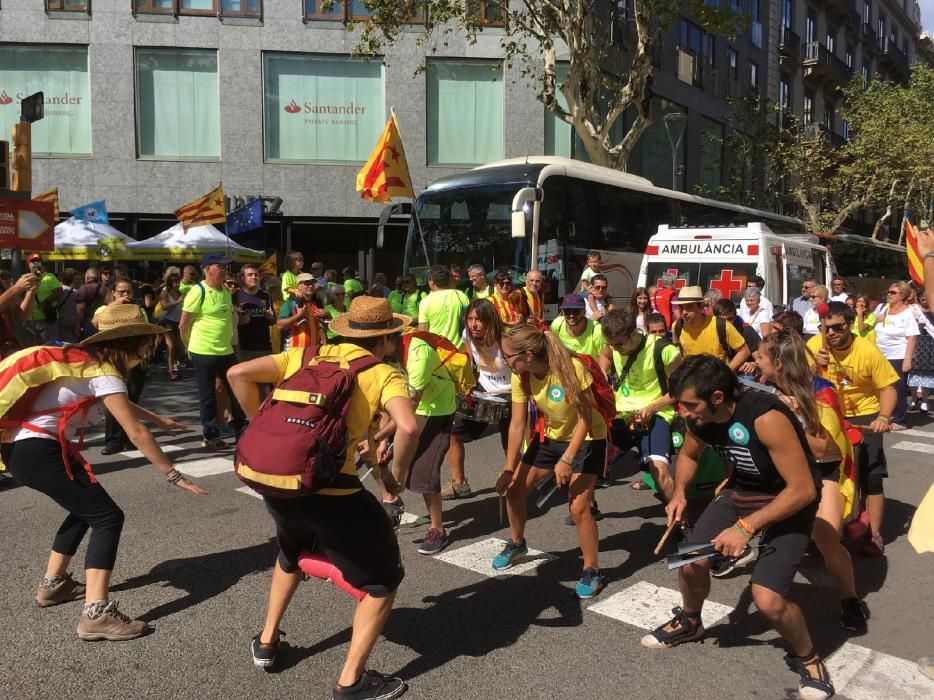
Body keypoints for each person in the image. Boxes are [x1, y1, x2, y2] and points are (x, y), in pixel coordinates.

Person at [227, 296, 419, 700]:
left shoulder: (308, 355)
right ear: (386, 338)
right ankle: (351, 682)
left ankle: (266, 642)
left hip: (282, 484)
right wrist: (397, 476)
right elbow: (407, 425)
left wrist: (261, 424)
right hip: (336, 493)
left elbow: (238, 372)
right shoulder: (384, 372)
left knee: (291, 551)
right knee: (382, 583)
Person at [0, 304, 204, 641]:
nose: (148, 349)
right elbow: (134, 432)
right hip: (39, 450)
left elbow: (114, 398)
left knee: (85, 510)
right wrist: (173, 474)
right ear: (134, 341)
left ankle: (54, 585)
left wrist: (158, 418)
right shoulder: (105, 372)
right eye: (146, 342)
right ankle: (96, 614)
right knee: (107, 517)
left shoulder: (85, 363)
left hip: (22, 450)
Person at [643, 355, 832, 700]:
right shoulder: (699, 418)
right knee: (688, 561)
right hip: (741, 491)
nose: (682, 412)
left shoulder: (765, 417)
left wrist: (745, 528)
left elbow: (803, 489)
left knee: (768, 600)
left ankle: (809, 657)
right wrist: (680, 493)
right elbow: (687, 456)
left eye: (688, 405)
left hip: (790, 499)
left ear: (717, 398)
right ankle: (690, 621)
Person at [757, 330, 869, 632]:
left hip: (824, 468)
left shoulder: (821, 392)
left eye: (761, 355)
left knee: (827, 537)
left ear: (778, 363)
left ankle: (850, 598)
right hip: (788, 467)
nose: (755, 357)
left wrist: (793, 415)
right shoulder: (767, 385)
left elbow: (824, 448)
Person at [493, 324, 609, 599]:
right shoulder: (521, 376)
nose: (504, 361)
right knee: (514, 491)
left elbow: (585, 419)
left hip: (588, 438)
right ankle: (517, 544)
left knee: (579, 507)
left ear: (528, 354)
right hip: (551, 438)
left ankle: (592, 570)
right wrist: (509, 467)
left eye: (508, 356)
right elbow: (517, 424)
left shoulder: (570, 369)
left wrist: (568, 459)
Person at [807, 301, 899, 557]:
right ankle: (826, 528)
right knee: (827, 474)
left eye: (838, 327)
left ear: (850, 325)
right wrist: (814, 366)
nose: (832, 333)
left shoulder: (867, 351)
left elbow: (888, 387)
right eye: (827, 328)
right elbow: (797, 380)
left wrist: (883, 416)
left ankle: (875, 535)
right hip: (827, 412)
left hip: (864, 414)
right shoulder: (815, 345)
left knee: (871, 476)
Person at [384, 322, 459, 556]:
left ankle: (438, 529)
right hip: (414, 408)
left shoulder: (417, 352)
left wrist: (383, 434)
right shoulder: (385, 354)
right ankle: (392, 501)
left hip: (437, 409)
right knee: (380, 455)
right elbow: (388, 396)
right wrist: (381, 440)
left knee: (424, 469)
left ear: (388, 338)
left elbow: (410, 403)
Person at [598, 309, 681, 501]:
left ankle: (680, 520)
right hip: (620, 414)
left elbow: (683, 389)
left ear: (634, 333)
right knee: (589, 464)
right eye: (611, 345)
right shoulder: (613, 344)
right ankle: (587, 510)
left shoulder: (663, 349)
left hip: (655, 413)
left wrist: (652, 407)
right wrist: (602, 370)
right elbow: (606, 355)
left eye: (619, 344)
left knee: (658, 470)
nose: (615, 349)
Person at [441, 299, 511, 500]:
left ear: (490, 320)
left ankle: (514, 480)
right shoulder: (468, 335)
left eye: (479, 320)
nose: (473, 324)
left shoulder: (506, 339)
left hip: (511, 394)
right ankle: (459, 483)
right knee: (454, 434)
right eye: (470, 319)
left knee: (510, 443)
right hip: (484, 392)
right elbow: (468, 358)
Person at [180, 253, 247, 450]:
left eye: (225, 267)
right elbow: (183, 325)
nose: (225, 270)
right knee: (207, 395)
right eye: (220, 266)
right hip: (203, 351)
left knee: (236, 390)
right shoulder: (197, 291)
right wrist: (188, 347)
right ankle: (210, 436)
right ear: (207, 268)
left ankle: (241, 430)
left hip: (225, 350)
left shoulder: (225, 290)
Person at [93, 279, 149, 455]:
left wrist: (145, 356)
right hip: (113, 363)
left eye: (128, 292)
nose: (125, 295)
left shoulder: (137, 310)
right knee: (115, 402)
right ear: (114, 292)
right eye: (121, 291)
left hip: (135, 361)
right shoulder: (104, 309)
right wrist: (115, 304)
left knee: (132, 400)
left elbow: (145, 332)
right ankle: (113, 441)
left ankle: (129, 438)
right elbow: (95, 322)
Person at [872, 281, 919, 427]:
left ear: (903, 295)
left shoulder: (907, 313)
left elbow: (912, 337)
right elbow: (874, 328)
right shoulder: (885, 309)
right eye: (888, 292)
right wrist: (876, 321)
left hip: (897, 355)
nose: (889, 294)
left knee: (897, 387)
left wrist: (907, 359)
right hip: (881, 354)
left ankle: (899, 420)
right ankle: (887, 414)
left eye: (893, 293)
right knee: (881, 386)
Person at [671, 287, 750, 372]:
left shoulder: (721, 325)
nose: (684, 312)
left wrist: (727, 373)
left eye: (689, 306)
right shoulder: (677, 326)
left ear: (701, 306)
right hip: (692, 382)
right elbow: (678, 352)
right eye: (681, 307)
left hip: (717, 382)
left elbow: (744, 351)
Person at [417, 264, 469, 346]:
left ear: (432, 281)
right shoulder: (462, 296)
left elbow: (423, 333)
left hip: (437, 354)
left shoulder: (426, 301)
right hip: (460, 354)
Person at [235, 263, 275, 363]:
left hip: (264, 347)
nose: (254, 277)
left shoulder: (265, 296)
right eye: (250, 275)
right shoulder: (236, 295)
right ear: (242, 278)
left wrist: (271, 317)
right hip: (244, 348)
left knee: (265, 378)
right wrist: (240, 320)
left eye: (256, 275)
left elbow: (273, 321)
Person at [277, 273, 327, 351]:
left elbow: (322, 326)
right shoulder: (290, 303)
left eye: (312, 283)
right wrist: (298, 315)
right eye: (307, 283)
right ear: (299, 286)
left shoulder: (316, 303)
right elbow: (280, 325)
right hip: (294, 354)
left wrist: (327, 314)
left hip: (313, 353)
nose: (310, 286)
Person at [22, 253, 62, 347]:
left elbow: (59, 292)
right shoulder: (24, 278)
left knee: (48, 347)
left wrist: (46, 301)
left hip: (46, 319)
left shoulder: (50, 276)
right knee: (31, 349)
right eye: (33, 262)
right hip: (28, 320)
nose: (35, 264)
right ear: (28, 264)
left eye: (38, 262)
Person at [549, 294, 606, 361]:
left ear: (584, 312)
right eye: (567, 311)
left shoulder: (596, 331)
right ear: (562, 312)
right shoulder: (557, 324)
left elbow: (605, 358)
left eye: (576, 311)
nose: (571, 315)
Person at [0, 271, 38, 359]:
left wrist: (31, 291)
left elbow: (19, 316)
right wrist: (16, 288)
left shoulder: (2, 284)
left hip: (8, 348)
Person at [158, 269, 185, 380]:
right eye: (174, 281)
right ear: (169, 282)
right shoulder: (165, 292)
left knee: (178, 346)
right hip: (167, 320)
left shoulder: (180, 293)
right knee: (170, 346)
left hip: (178, 321)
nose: (177, 283)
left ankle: (174, 367)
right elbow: (164, 306)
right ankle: (170, 371)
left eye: (178, 281)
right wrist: (178, 302)